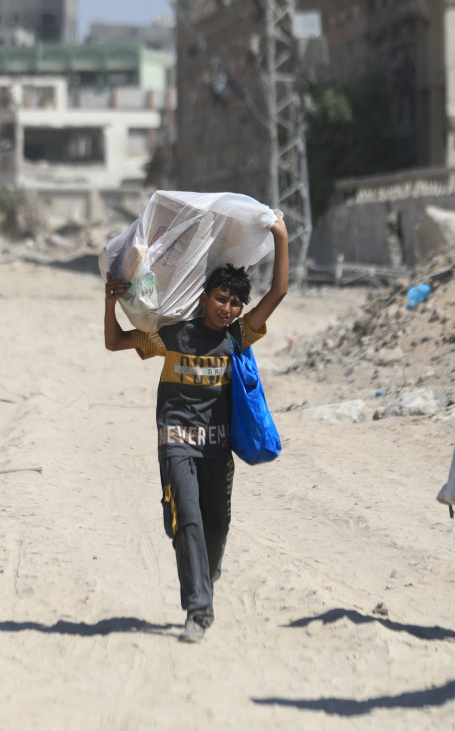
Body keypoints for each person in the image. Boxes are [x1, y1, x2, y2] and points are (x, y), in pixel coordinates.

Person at [103, 214, 289, 644]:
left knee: (216, 526)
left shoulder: (238, 336)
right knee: (188, 518)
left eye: (235, 303)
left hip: (217, 448)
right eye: (221, 298)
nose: (228, 308)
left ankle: (205, 568)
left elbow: (278, 291)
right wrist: (109, 301)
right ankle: (198, 610)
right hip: (176, 442)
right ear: (203, 297)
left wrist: (279, 233)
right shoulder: (173, 334)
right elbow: (116, 342)